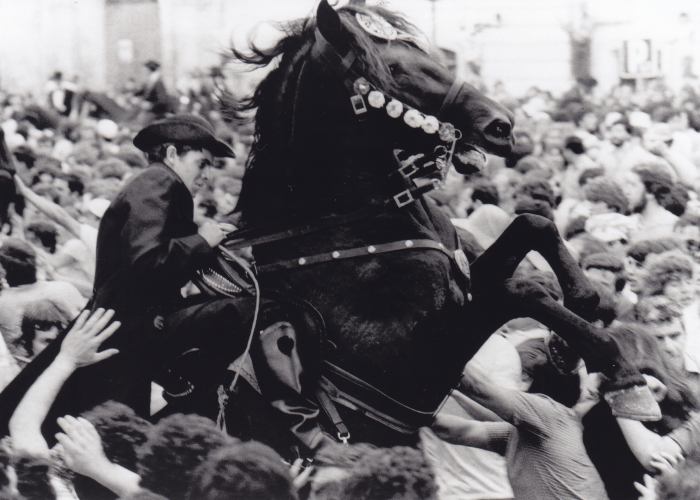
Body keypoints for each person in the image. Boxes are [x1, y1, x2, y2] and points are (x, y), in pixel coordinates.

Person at [0, 114, 250, 437]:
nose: (206, 175)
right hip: (123, 332)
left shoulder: (158, 184)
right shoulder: (159, 182)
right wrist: (203, 240)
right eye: (202, 163)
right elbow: (146, 263)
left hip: (120, 330)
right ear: (173, 154)